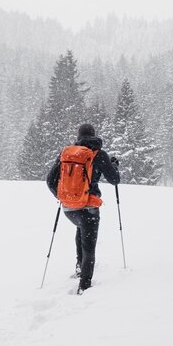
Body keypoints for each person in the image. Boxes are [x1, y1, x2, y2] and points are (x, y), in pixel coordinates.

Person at [47, 123, 120, 293]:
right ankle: (84, 286)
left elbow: (50, 181)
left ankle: (80, 269)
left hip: (68, 210)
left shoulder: (67, 154)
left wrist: (64, 197)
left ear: (78, 136)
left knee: (81, 230)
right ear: (94, 135)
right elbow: (114, 180)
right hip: (89, 208)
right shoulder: (100, 155)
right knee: (89, 246)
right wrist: (114, 165)